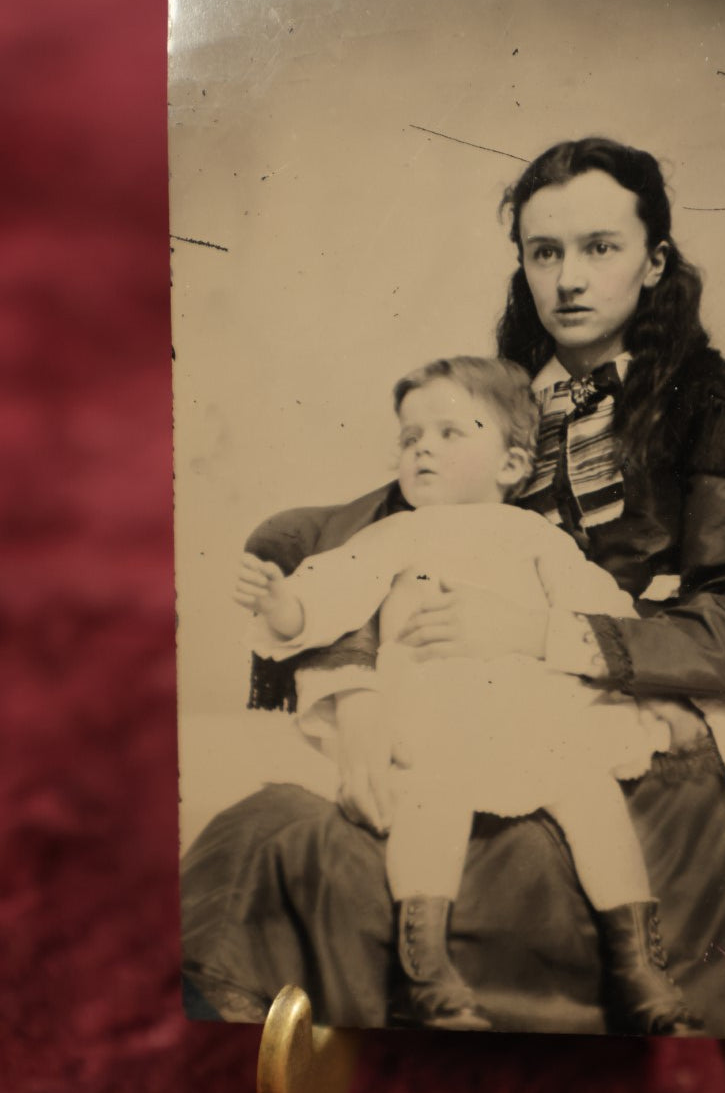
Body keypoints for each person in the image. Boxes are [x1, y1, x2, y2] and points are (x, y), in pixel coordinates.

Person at [181, 137, 725, 1044]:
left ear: (653, 262)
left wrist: (546, 633)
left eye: (599, 248)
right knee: (270, 828)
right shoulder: (502, 404)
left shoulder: (723, 410)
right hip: (465, 678)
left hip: (674, 686)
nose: (568, 278)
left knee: (560, 833)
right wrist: (352, 690)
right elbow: (368, 538)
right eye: (544, 251)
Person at [235, 355, 701, 1035]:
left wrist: (646, 681)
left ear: (512, 465)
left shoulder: (538, 537)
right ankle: (425, 972)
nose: (422, 446)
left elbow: (602, 614)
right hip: (434, 710)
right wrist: (285, 606)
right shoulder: (393, 534)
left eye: (451, 432)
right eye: (410, 435)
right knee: (430, 797)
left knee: (594, 795)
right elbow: (329, 592)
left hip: (532, 711)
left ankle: (639, 966)